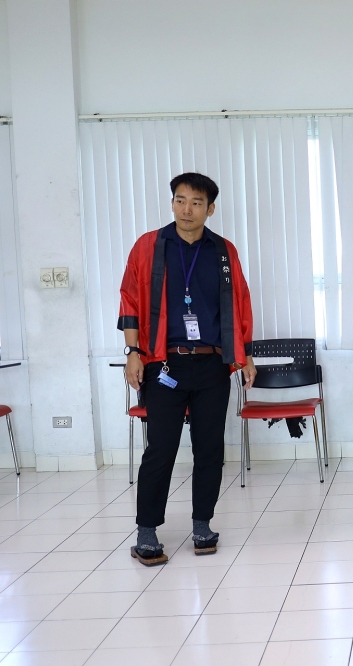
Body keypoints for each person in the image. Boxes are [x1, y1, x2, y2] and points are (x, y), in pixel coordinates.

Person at [119, 172, 256, 566]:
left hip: (212, 363)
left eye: (196, 202)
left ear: (210, 209)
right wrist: (133, 352)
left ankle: (202, 526)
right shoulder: (149, 246)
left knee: (210, 449)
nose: (186, 209)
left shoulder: (223, 251)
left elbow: (240, 304)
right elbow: (130, 299)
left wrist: (245, 357)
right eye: (180, 200)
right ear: (172, 203)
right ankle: (147, 532)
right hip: (164, 363)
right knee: (160, 449)